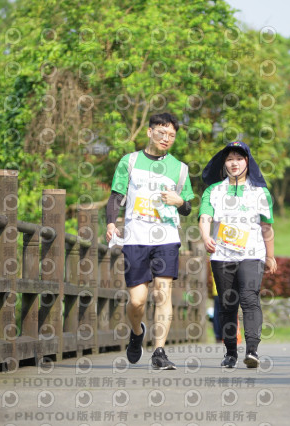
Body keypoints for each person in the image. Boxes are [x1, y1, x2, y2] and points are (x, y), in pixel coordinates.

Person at [105, 112, 194, 370]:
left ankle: (159, 352)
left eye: (171, 135)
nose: (166, 138)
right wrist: (111, 223)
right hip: (136, 236)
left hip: (167, 237)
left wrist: (180, 201)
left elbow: (187, 207)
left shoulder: (180, 168)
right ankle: (136, 332)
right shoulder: (130, 161)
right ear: (149, 132)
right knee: (137, 301)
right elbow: (116, 196)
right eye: (161, 132)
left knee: (162, 293)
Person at [198, 141, 277, 368]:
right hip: (222, 254)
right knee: (227, 303)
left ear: (247, 162)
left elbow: (267, 227)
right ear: (224, 163)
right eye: (230, 159)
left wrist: (270, 256)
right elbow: (205, 217)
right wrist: (205, 237)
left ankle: (252, 351)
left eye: (239, 159)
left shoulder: (260, 192)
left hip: (252, 253)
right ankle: (231, 353)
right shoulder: (214, 191)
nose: (234, 163)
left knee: (250, 298)